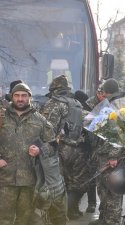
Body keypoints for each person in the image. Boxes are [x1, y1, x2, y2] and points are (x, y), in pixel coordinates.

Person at [0, 83, 57, 225]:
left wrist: (40, 150)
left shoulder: (40, 120)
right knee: (3, 218)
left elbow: (53, 145)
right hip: (4, 179)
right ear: (12, 97)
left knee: (24, 219)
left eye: (24, 96)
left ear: (29, 97)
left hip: (30, 180)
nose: (20, 99)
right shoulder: (2, 117)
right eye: (17, 95)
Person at [88, 78, 125, 225]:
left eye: (103, 92)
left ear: (106, 92)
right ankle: (104, 218)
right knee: (104, 189)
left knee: (113, 192)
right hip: (105, 156)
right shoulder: (118, 105)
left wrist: (113, 156)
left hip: (113, 158)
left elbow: (123, 135)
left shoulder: (120, 107)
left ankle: (112, 221)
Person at [40, 75, 89, 220]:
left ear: (54, 89)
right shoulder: (77, 103)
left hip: (59, 149)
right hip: (77, 149)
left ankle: (57, 215)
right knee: (74, 184)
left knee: (56, 184)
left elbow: (47, 129)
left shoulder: (53, 103)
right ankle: (71, 211)